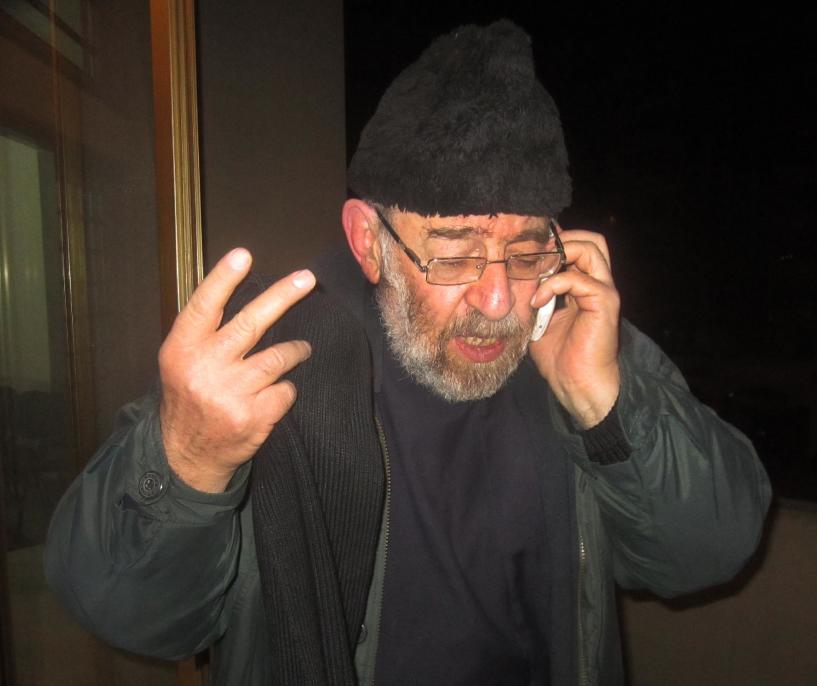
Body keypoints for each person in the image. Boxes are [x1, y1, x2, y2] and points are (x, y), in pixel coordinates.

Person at [45, 20, 771, 686]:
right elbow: (131, 615)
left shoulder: (577, 337)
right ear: (369, 242)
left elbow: (707, 555)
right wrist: (191, 462)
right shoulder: (270, 360)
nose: (498, 300)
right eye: (455, 256)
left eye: (524, 251)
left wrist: (603, 403)